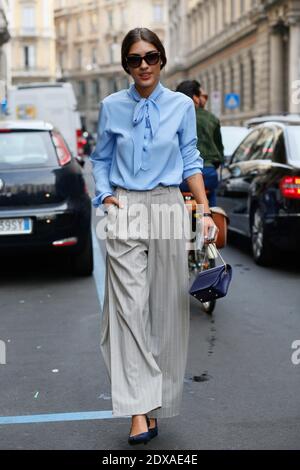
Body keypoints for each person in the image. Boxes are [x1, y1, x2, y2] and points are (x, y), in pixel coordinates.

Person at [90, 28, 218, 446]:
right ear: (125, 65)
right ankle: (138, 411)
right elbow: (102, 159)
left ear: (161, 59)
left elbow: (189, 158)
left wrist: (204, 208)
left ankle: (156, 399)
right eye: (134, 59)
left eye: (150, 56)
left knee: (164, 311)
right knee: (128, 310)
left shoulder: (181, 106)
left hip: (167, 205)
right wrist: (107, 196)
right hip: (125, 207)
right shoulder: (111, 106)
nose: (143, 65)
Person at [176, 80, 224, 207]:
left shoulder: (173, 116)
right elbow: (219, 153)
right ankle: (211, 217)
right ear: (195, 98)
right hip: (207, 174)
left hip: (180, 177)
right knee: (210, 200)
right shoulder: (211, 118)